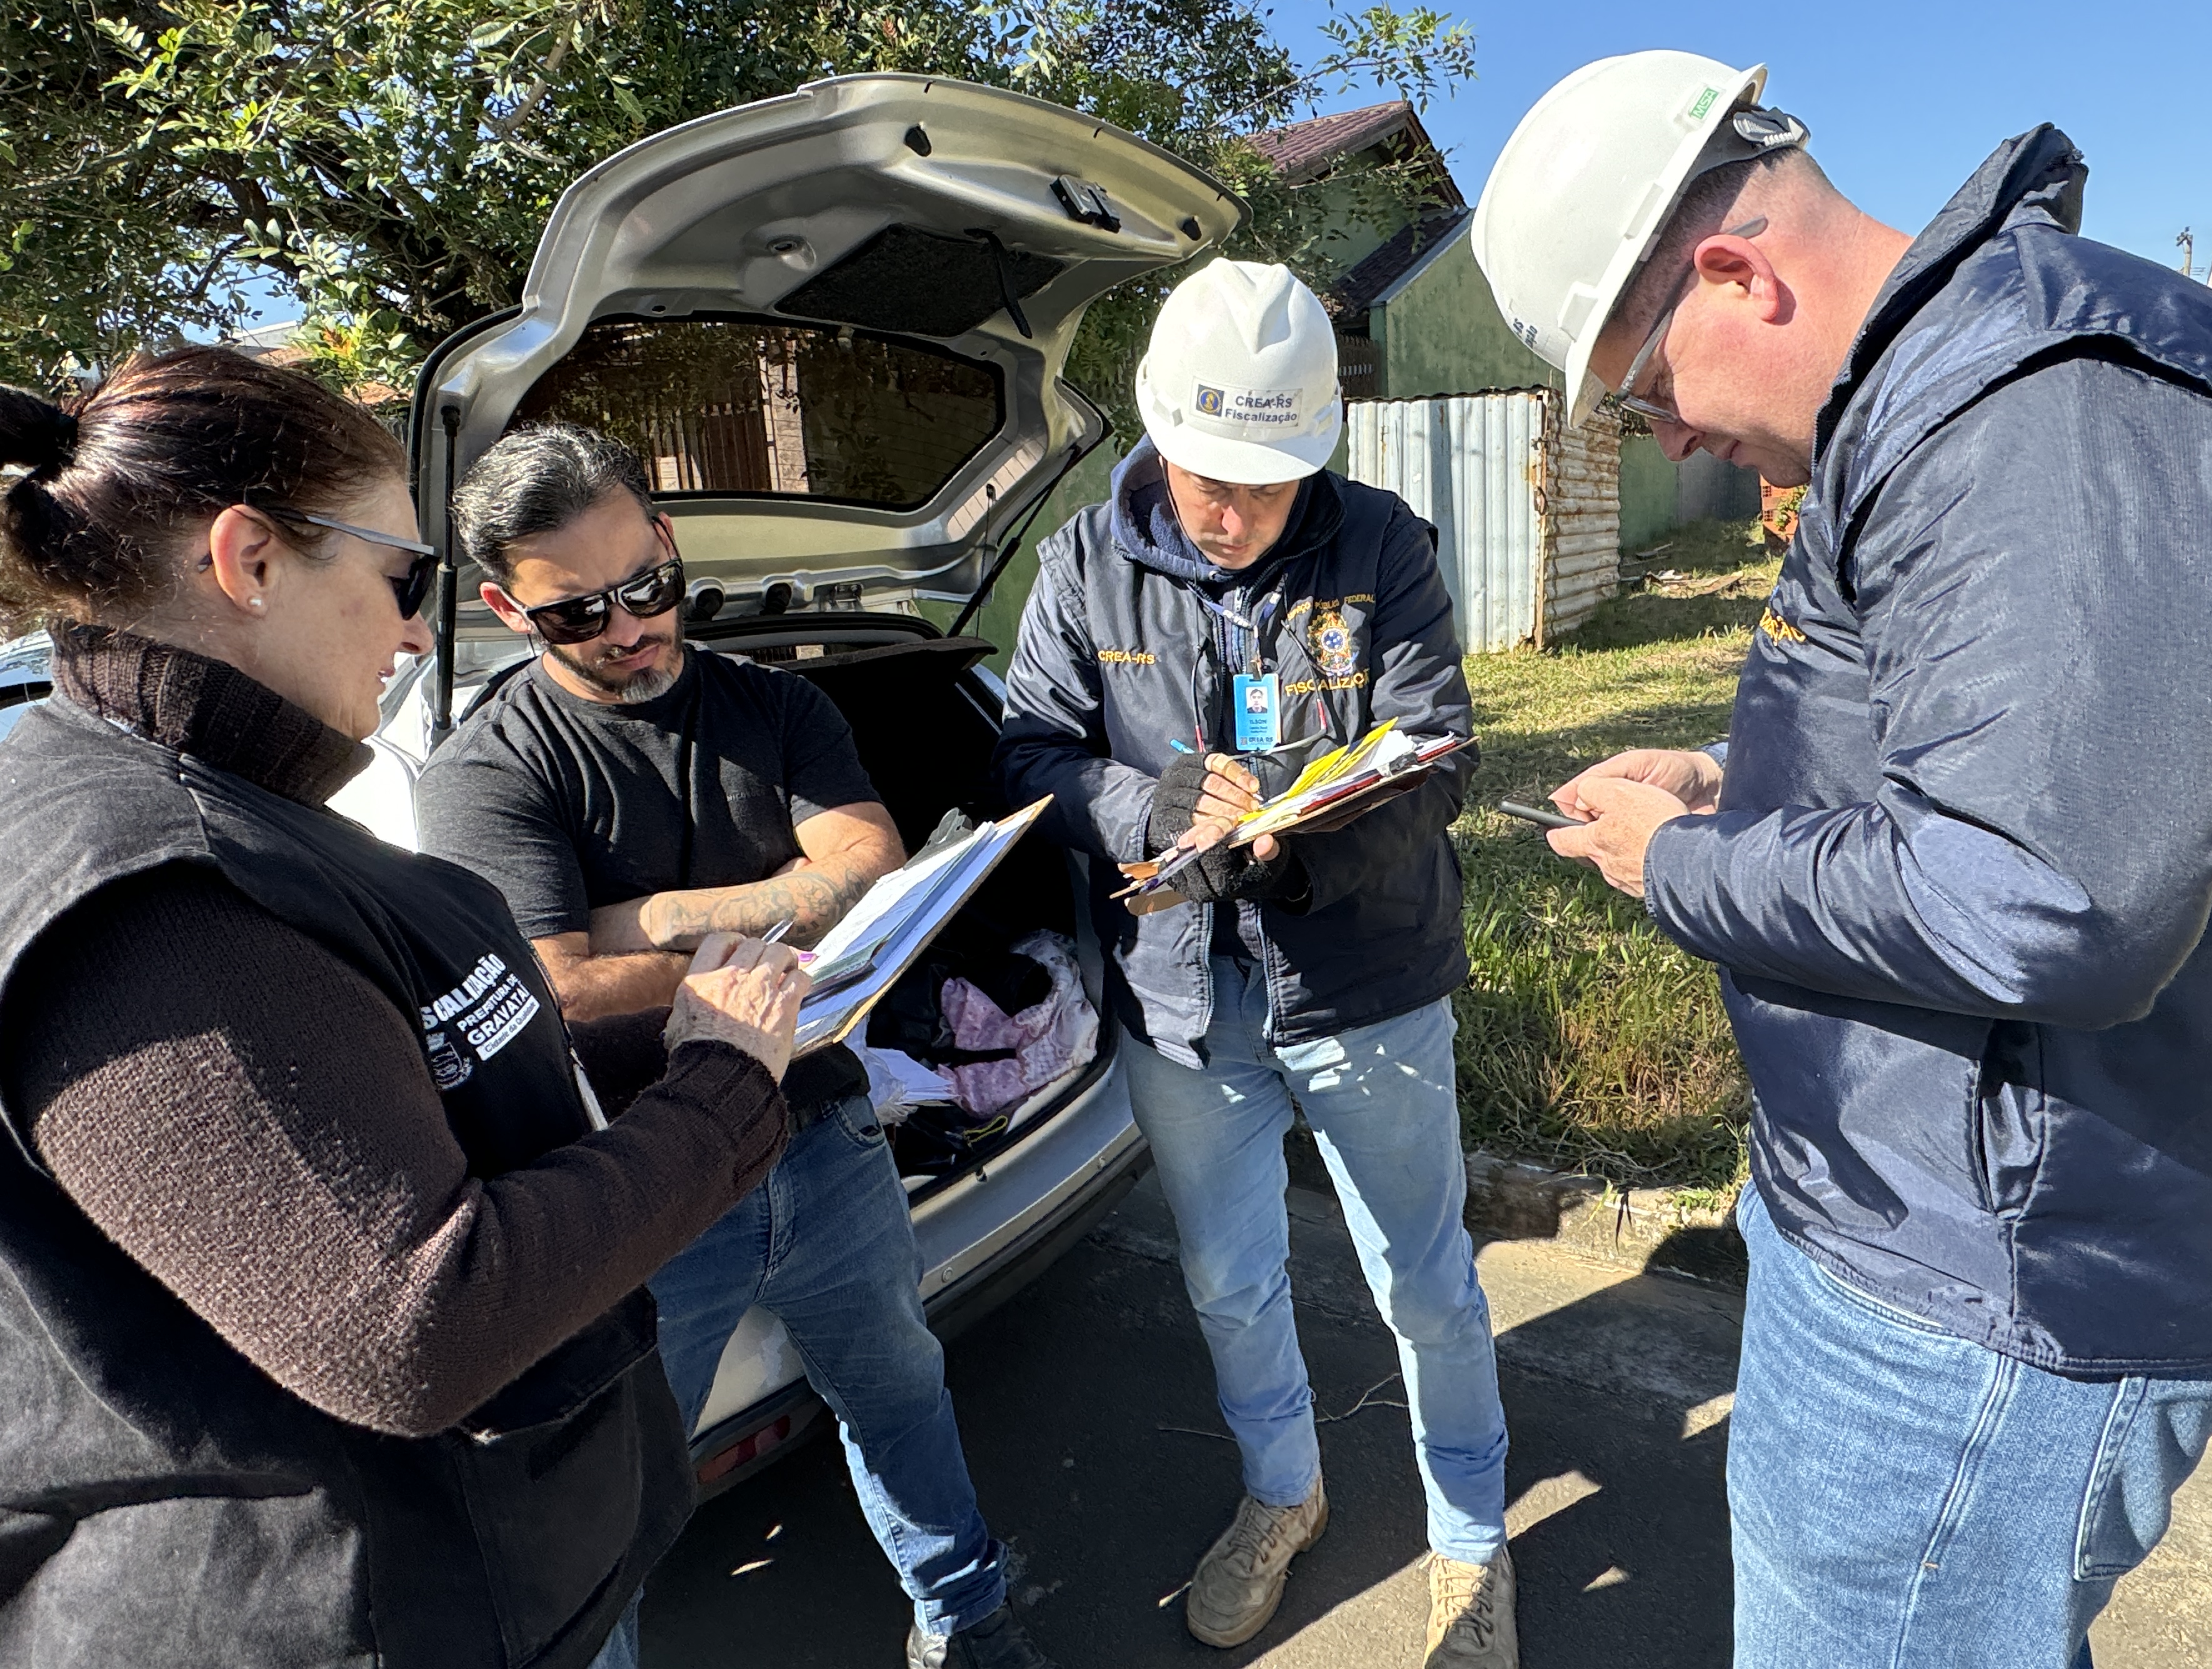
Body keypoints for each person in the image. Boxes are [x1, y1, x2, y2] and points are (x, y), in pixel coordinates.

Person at [1474, 51, 2212, 1667]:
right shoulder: (1955, 398)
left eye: (1642, 385)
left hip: (1996, 1291)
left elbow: (2053, 898)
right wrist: (1738, 774)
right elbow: (1974, 749)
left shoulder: (2051, 405)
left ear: (1733, 273)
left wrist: (1685, 864)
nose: (1663, 429)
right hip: (1930, 1222)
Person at [0, 347, 806, 1669]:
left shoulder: (237, 804)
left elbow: (429, 1058)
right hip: (345, 1618)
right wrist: (725, 1096)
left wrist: (682, 1033)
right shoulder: (154, 902)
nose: (420, 631)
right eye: (401, 578)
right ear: (250, 558)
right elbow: (417, 1327)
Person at [416, 423, 1052, 1669]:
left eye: (647, 586)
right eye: (577, 614)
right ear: (504, 607)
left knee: (901, 1394)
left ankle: (965, 1620)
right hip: (639, 1195)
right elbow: (552, 992)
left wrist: (642, 922)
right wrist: (776, 907)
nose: (632, 626)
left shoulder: (777, 703)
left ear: (667, 540)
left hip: (824, 1140)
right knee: (616, 1502)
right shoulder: (490, 770)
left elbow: (868, 866)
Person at [990, 259, 1516, 1668]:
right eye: (1205, 476)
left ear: (1317, 454)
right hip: (1182, 1002)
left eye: (1264, 487)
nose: (1229, 515)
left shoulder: (1383, 548)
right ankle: (1284, 1496)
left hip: (1366, 984)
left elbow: (1441, 752)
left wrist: (1301, 830)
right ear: (1158, 434)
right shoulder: (1083, 566)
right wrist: (1143, 809)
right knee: (1229, 1279)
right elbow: (1032, 748)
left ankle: (1471, 1541)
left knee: (1427, 1284)